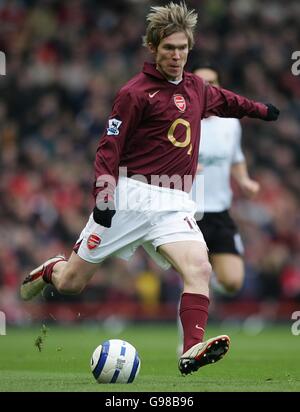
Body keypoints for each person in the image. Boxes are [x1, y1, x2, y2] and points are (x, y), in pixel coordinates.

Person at [20, 2, 279, 376]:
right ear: (153, 47)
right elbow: (109, 148)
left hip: (174, 201)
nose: (176, 55)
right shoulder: (134, 93)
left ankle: (191, 348)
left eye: (182, 48)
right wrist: (104, 197)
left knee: (199, 268)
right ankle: (51, 271)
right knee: (72, 283)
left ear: (190, 49)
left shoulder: (197, 88)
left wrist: (261, 110)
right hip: (130, 197)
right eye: (169, 48)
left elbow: (228, 103)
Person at [192, 62, 260, 295]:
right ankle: (192, 329)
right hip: (187, 213)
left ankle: (206, 282)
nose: (207, 87)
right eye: (201, 84)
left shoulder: (231, 124)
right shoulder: (180, 124)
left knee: (232, 282)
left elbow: (236, 158)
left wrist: (244, 180)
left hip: (220, 212)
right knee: (193, 278)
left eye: (212, 83)